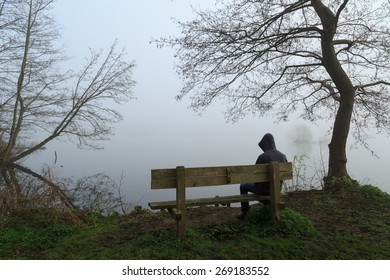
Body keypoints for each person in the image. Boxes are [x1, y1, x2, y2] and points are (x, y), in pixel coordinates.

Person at [238, 133, 287, 220]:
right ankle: (267, 204)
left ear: (265, 144)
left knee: (243, 186)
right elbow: (285, 174)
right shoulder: (283, 156)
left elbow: (255, 176)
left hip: (263, 190)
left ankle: (245, 212)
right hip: (277, 189)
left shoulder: (262, 157)